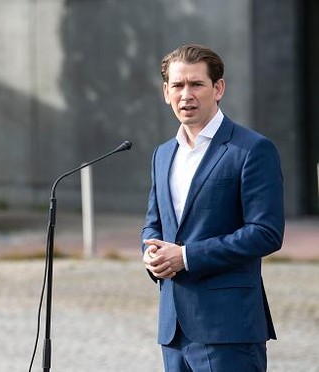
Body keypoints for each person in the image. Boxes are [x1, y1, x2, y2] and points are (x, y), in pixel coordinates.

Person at [141, 44, 284, 371]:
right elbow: (154, 223)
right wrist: (150, 254)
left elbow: (266, 233)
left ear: (218, 88)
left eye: (196, 84)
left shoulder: (252, 149)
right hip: (173, 329)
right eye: (177, 85)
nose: (186, 94)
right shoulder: (163, 154)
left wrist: (186, 257)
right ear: (166, 92)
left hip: (228, 329)